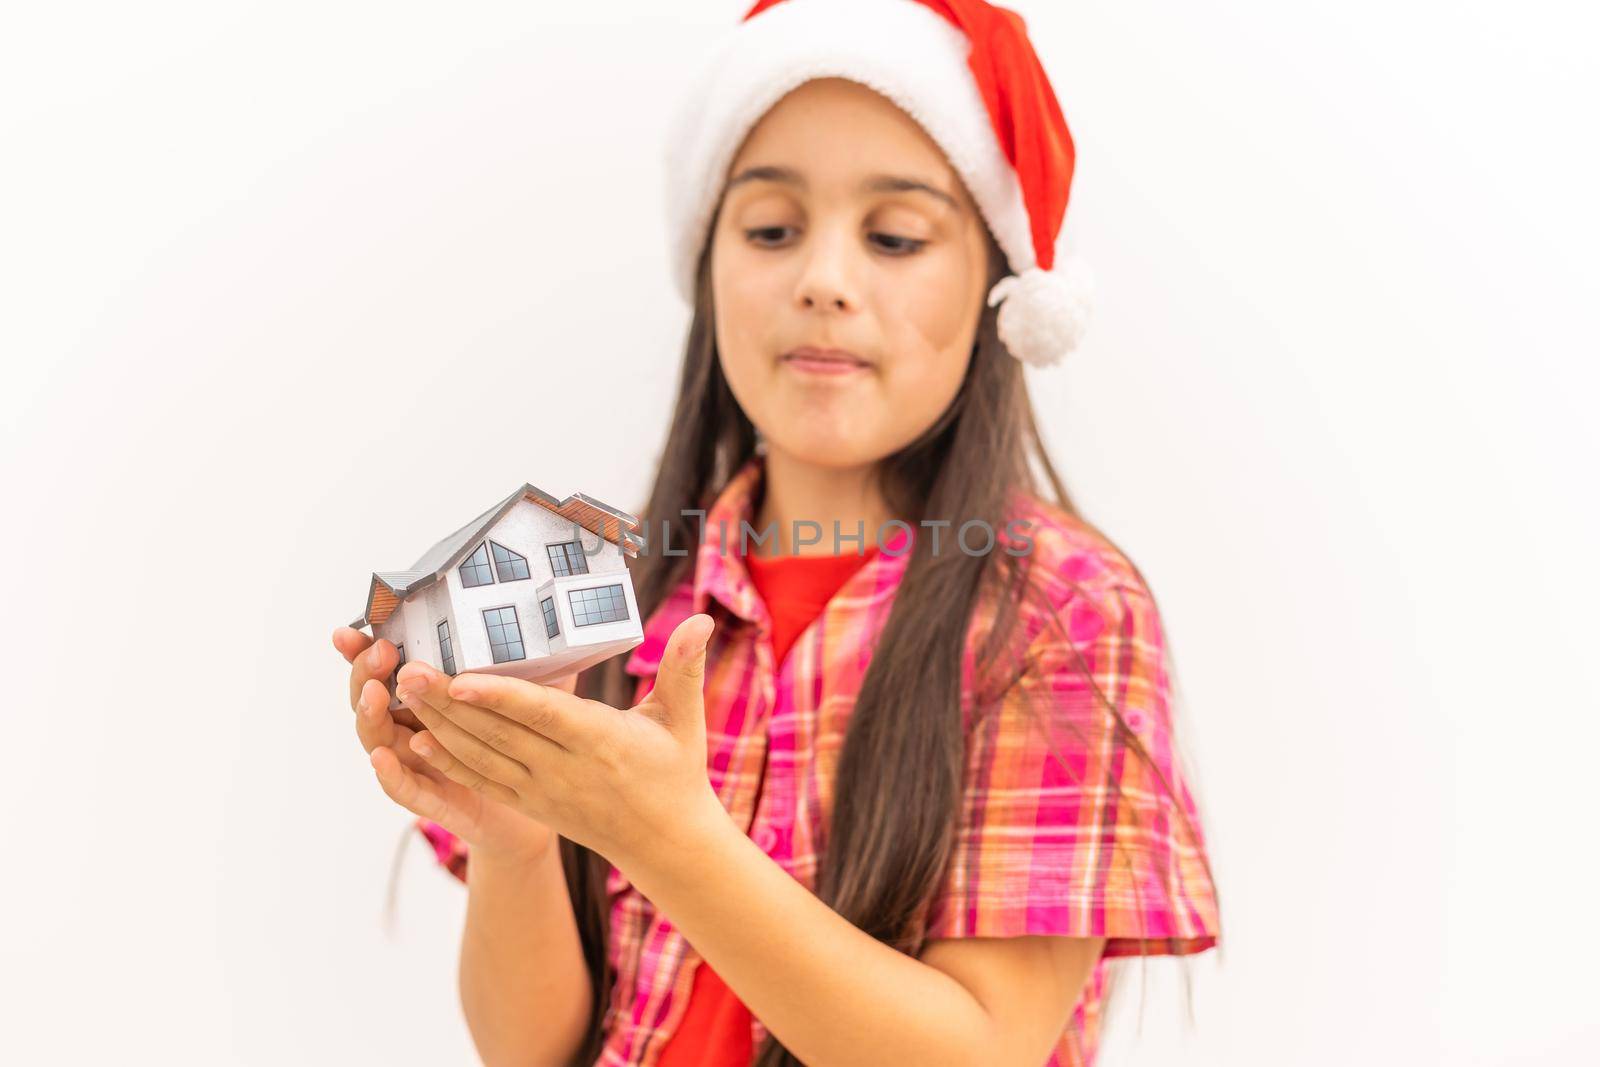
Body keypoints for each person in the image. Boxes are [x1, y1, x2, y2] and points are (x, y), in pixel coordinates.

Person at [332, 2, 1221, 1064]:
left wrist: (666, 834)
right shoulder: (624, 596)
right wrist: (517, 832)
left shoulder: (1062, 610)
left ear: (999, 286)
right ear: (709, 269)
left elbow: (980, 1049)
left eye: (894, 236)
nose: (823, 279)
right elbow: (533, 1048)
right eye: (769, 229)